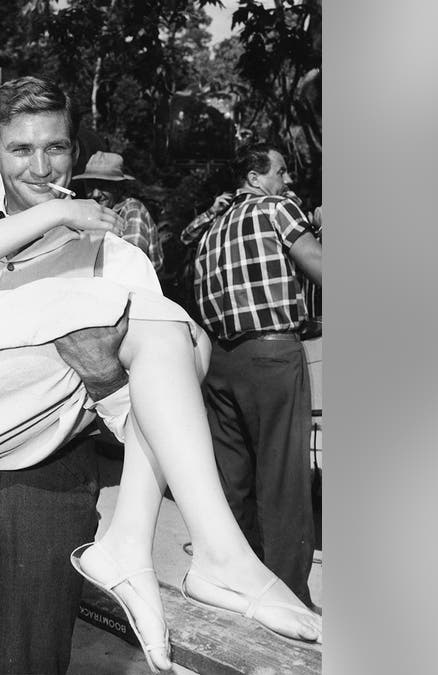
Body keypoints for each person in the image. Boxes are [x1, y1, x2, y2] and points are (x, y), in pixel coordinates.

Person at [0, 81, 321, 674]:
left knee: (30, 664)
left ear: (73, 151)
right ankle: (203, 555)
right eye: (20, 150)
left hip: (43, 492)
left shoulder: (113, 255)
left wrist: (105, 382)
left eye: (57, 148)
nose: (41, 167)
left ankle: (165, 551)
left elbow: (156, 420)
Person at [186, 143, 324, 612]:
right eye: (281, 171)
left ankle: (236, 584)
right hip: (271, 356)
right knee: (283, 482)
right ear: (254, 176)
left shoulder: (211, 227)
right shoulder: (278, 208)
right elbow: (318, 264)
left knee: (232, 482)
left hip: (220, 362)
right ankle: (288, 599)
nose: (287, 181)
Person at [73, 150, 164, 272]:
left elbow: (130, 264)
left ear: (119, 187)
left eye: (103, 186)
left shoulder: (132, 211)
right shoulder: (93, 213)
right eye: (90, 185)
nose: (95, 194)